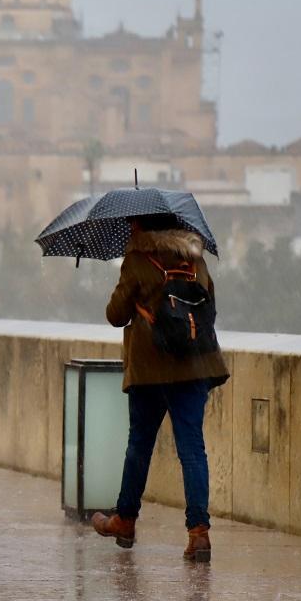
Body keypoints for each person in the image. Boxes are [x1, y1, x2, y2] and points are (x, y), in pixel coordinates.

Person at [92, 214, 229, 562]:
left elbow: (114, 314)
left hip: (150, 370)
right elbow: (208, 304)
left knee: (139, 445)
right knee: (192, 450)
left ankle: (125, 520)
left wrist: (140, 298)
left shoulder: (137, 259)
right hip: (195, 365)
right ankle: (199, 533)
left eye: (134, 224)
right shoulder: (194, 257)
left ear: (142, 226)